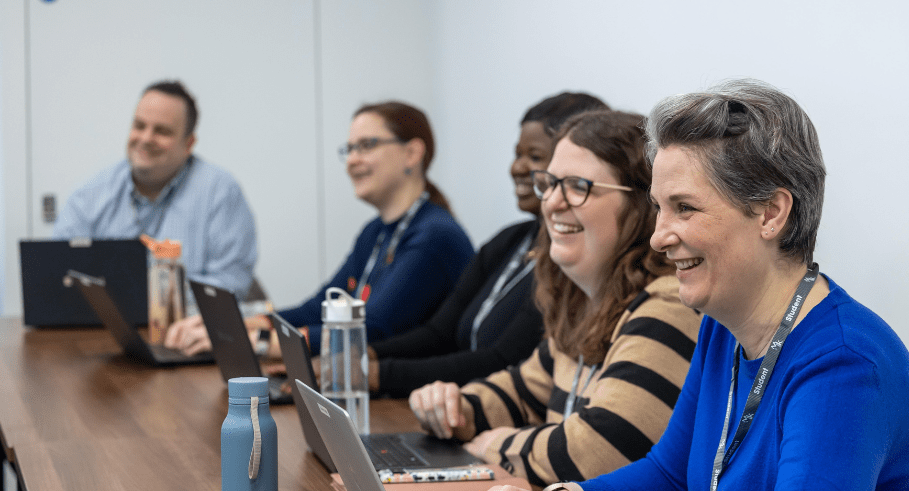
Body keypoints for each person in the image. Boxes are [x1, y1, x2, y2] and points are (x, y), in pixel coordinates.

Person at [447, 80, 909, 491]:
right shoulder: (723, 327)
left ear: (770, 213)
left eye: (685, 208)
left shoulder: (845, 364)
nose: (658, 236)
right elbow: (669, 478)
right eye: (658, 209)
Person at [409, 109, 702, 487]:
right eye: (550, 183)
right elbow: (520, 390)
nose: (552, 203)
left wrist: (497, 446)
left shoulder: (670, 304)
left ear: (642, 205)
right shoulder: (586, 302)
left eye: (578, 186)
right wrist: (454, 407)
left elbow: (598, 451)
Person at [167, 101, 474, 356]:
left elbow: (372, 329)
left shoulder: (435, 237)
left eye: (366, 145)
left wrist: (258, 343)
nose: (352, 160)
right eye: (349, 149)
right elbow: (318, 309)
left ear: (412, 153)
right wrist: (239, 323)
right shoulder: (375, 232)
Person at [369, 92, 608, 397]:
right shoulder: (509, 240)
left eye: (534, 157)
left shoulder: (572, 258)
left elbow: (502, 362)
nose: (517, 168)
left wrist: (377, 374)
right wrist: (365, 357)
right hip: (459, 406)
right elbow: (439, 333)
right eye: (517, 154)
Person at [53, 80, 257, 297]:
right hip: (102, 328)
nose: (146, 138)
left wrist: (158, 306)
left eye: (162, 131)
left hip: (186, 326)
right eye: (139, 126)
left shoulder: (221, 193)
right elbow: (60, 272)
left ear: (188, 144)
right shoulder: (90, 194)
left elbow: (229, 282)